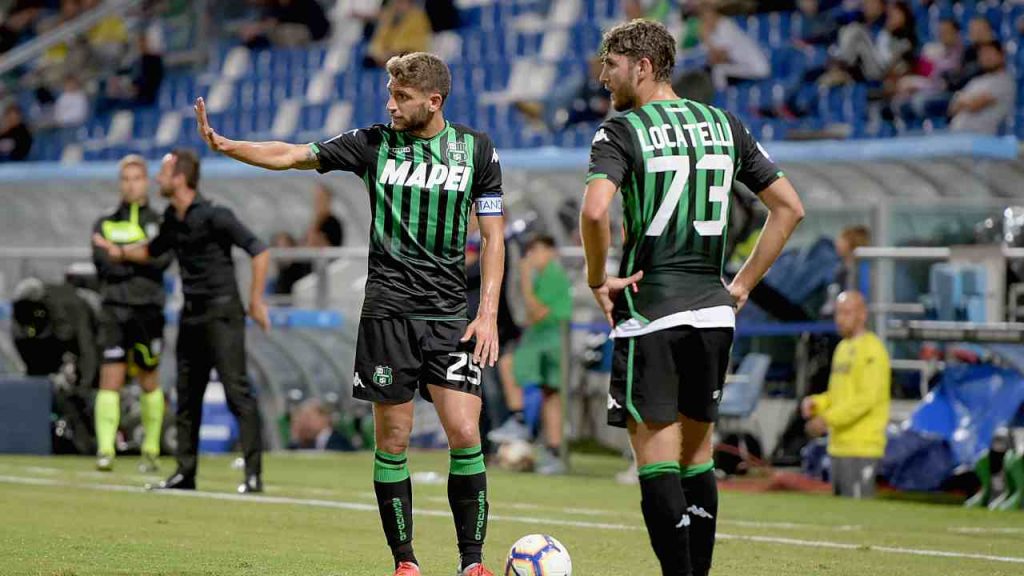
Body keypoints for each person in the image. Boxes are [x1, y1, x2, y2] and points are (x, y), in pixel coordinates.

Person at [191, 50, 505, 576]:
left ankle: (471, 563)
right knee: (395, 440)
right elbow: (291, 155)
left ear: (434, 100)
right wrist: (227, 147)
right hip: (387, 312)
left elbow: (494, 237)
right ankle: (405, 562)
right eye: (390, 95)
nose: (391, 105)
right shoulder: (373, 143)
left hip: (450, 314)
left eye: (402, 98)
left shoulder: (477, 150)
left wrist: (488, 310)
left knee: (466, 433)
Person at [580, 19, 804, 576]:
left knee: (656, 461)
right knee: (697, 456)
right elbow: (789, 208)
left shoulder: (620, 131)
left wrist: (596, 278)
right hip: (713, 310)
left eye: (611, 64)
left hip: (650, 309)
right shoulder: (725, 125)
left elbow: (593, 211)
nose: (604, 76)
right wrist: (743, 284)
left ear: (643, 67)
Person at [93, 149, 271, 494]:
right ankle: (185, 472)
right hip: (191, 316)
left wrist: (255, 301)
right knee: (187, 396)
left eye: (163, 173)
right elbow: (151, 249)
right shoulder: (172, 221)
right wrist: (117, 251)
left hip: (222, 314)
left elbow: (259, 250)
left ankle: (253, 474)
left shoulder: (216, 215)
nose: (158, 179)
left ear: (179, 178)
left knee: (237, 392)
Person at [91, 155, 171, 473]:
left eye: (136, 178)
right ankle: (106, 449)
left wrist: (121, 255)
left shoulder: (160, 222)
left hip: (148, 310)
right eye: (125, 179)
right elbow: (102, 265)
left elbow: (162, 261)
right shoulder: (105, 222)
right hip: (114, 309)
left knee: (149, 378)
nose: (131, 184)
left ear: (147, 182)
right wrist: (139, 257)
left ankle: (151, 449)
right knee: (110, 376)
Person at [490, 235, 573, 476]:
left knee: (508, 364)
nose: (532, 257)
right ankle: (553, 451)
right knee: (550, 394)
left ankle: (519, 421)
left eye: (537, 251)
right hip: (541, 339)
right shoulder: (545, 275)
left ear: (551, 252)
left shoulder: (553, 275)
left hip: (551, 340)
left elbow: (536, 312)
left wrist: (525, 277)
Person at [802, 291, 891, 499]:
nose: (840, 319)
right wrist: (817, 403)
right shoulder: (842, 348)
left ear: (862, 315)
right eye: (838, 313)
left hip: (862, 447)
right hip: (839, 446)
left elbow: (865, 399)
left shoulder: (872, 350)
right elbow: (837, 395)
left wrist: (827, 419)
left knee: (858, 513)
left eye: (847, 313)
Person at [950, 41, 1016, 135]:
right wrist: (966, 100)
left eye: (989, 53)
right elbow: (952, 109)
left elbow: (974, 105)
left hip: (984, 140)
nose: (986, 58)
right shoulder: (976, 81)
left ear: (1001, 55)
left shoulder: (1005, 81)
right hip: (959, 136)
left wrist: (962, 99)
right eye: (982, 55)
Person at [364, 0, 432, 68]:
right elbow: (378, 40)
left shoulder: (419, 18)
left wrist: (395, 52)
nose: (397, 4)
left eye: (401, 2)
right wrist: (381, 55)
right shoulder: (389, 16)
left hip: (407, 59)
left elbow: (417, 44)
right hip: (385, 59)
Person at [305, 182, 344, 247]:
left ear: (328, 201)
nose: (317, 203)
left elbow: (315, 244)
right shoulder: (314, 221)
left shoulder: (333, 223)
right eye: (316, 199)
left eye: (320, 199)